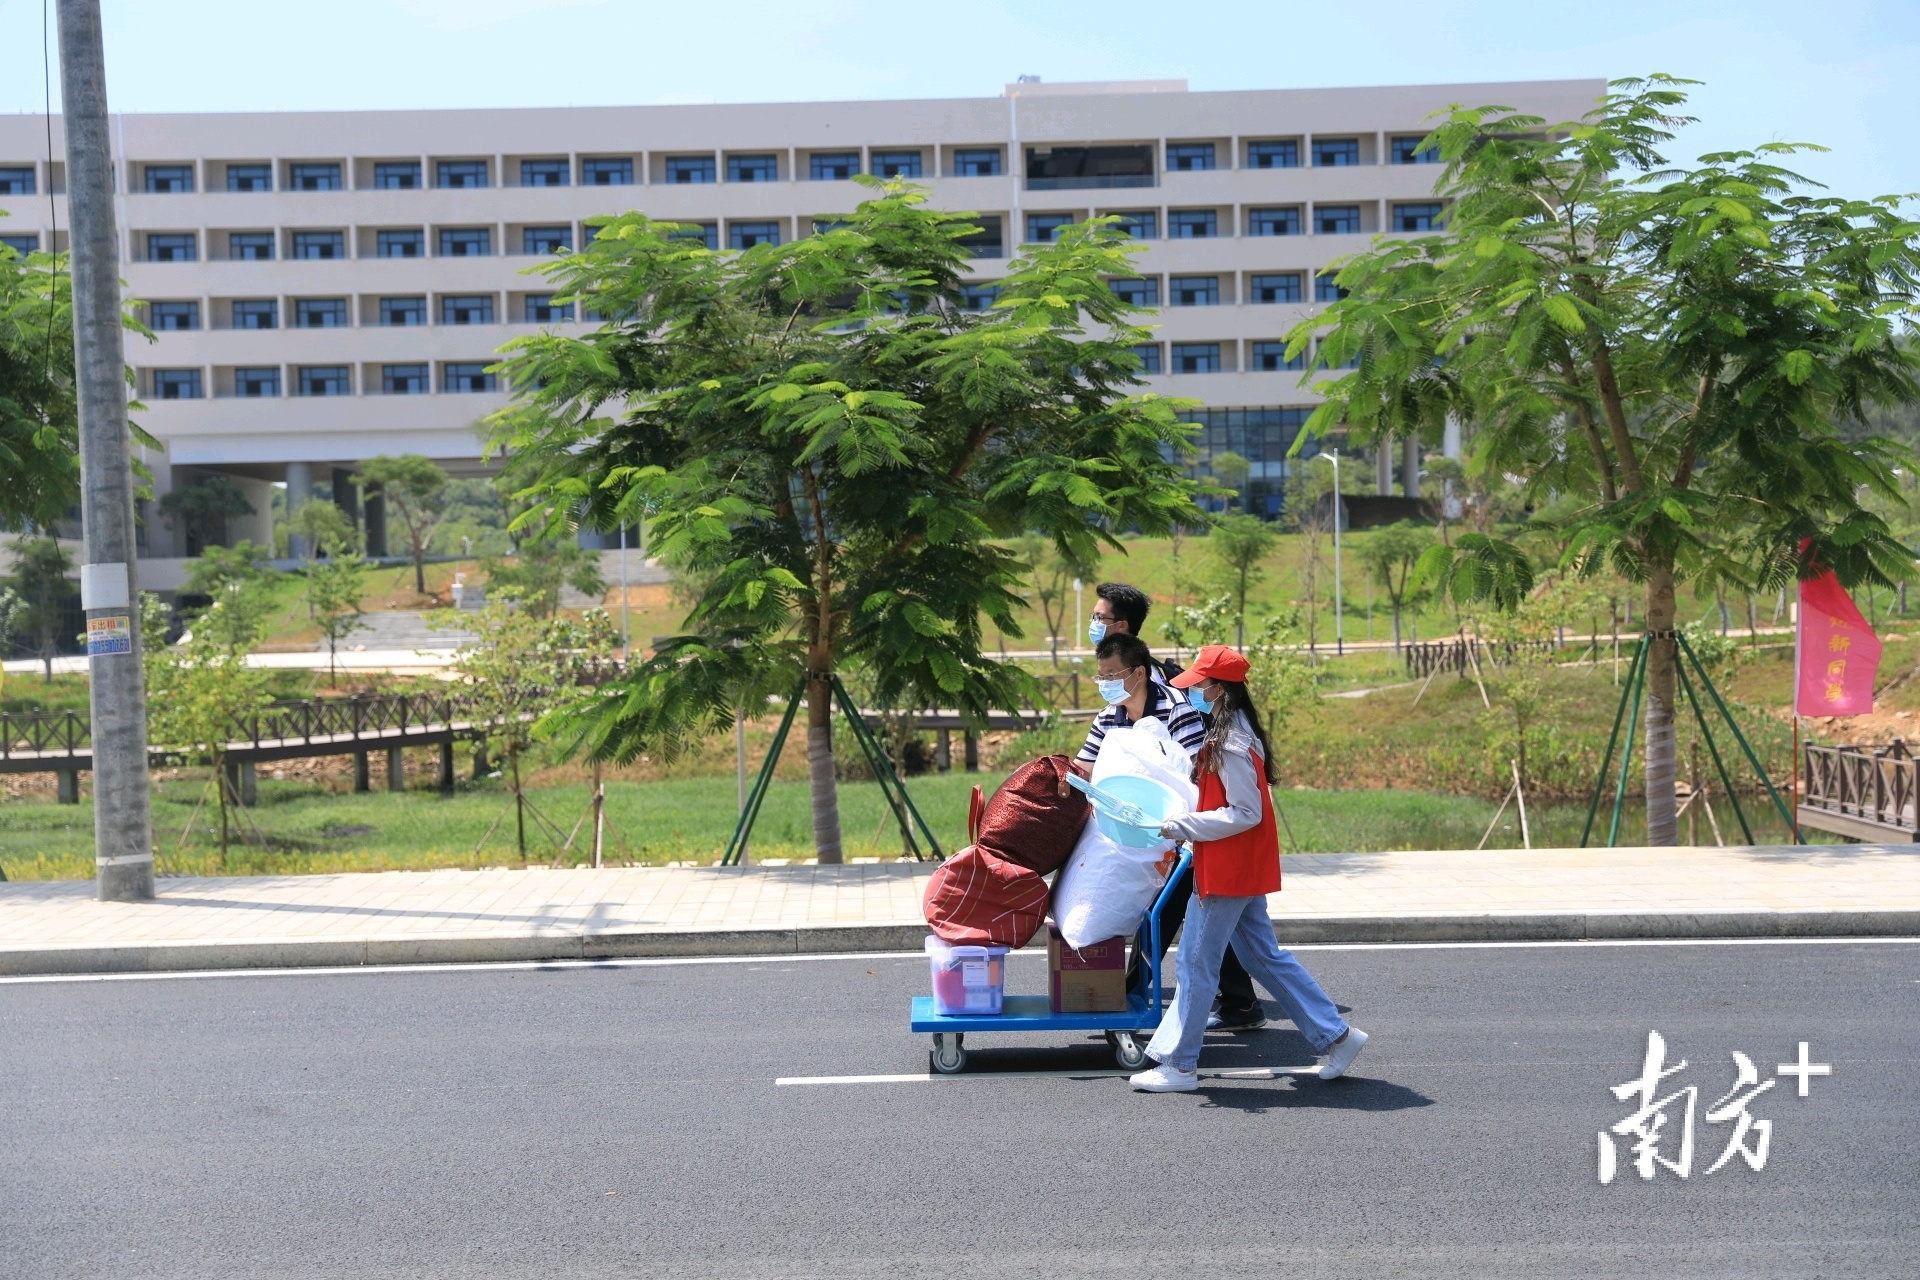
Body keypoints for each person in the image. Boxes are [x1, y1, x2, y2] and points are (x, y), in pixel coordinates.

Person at [1130, 644, 1368, 1093]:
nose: (1192, 692)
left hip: (1227, 869)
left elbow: (1245, 812)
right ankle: (1337, 1035)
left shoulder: (1230, 742)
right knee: (1262, 957)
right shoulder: (1231, 730)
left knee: (1196, 963)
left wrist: (1177, 825)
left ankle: (1180, 1065)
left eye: (1199, 685)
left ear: (1219, 688)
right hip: (1233, 864)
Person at [1088, 582, 1266, 1028]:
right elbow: (1088, 762)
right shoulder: (1111, 714)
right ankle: (1243, 1005)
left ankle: (1138, 1009)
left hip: (1189, 830)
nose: (1107, 685)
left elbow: (1204, 780)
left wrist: (1177, 825)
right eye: (1102, 679)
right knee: (1229, 936)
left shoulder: (1191, 715)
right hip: (1168, 829)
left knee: (1168, 918)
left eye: (1113, 677)